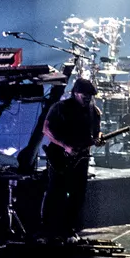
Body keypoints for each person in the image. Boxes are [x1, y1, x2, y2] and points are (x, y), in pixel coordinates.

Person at [39, 77, 103, 240]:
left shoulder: (94, 111)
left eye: (90, 95)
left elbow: (97, 133)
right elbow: (46, 129)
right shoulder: (60, 107)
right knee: (55, 192)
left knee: (77, 195)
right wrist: (65, 145)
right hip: (59, 156)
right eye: (85, 95)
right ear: (75, 93)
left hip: (81, 158)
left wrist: (99, 139)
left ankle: (69, 229)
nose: (88, 98)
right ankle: (49, 229)